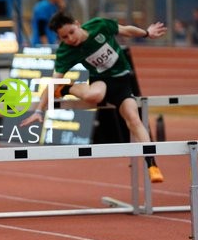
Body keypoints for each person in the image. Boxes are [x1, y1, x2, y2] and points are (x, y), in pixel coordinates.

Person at [20, 11, 167, 183]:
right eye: (64, 37)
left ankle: (152, 164)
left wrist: (147, 33)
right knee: (94, 95)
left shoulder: (99, 25)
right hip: (101, 81)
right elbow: (53, 81)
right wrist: (39, 110)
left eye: (71, 32)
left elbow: (126, 30)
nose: (70, 38)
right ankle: (67, 88)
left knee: (134, 119)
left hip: (122, 82)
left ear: (77, 23)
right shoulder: (66, 51)